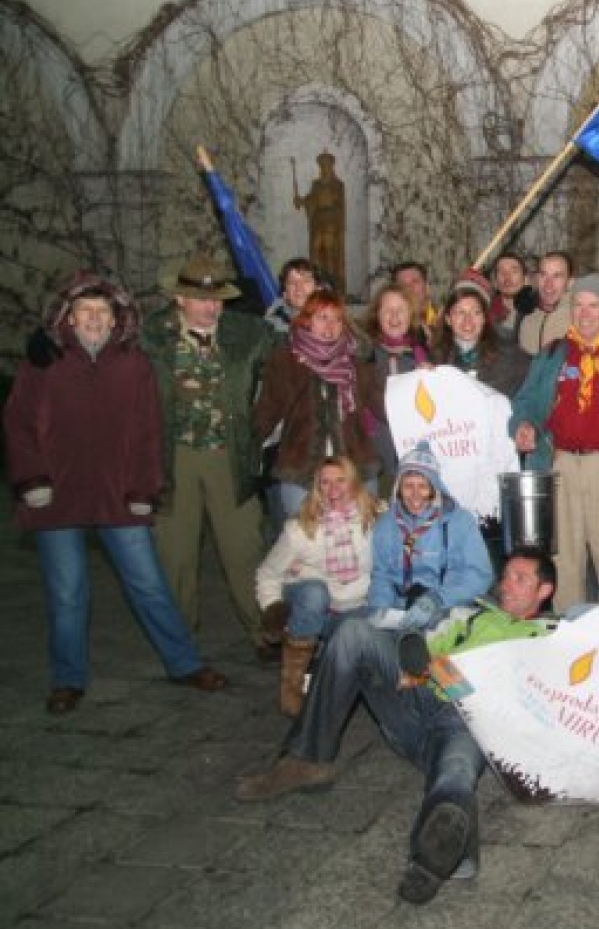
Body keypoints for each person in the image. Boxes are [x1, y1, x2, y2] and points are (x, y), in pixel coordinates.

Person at [234, 548, 557, 903]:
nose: (506, 585)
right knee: (353, 633)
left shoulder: (547, 639)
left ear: (544, 590)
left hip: (465, 724)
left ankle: (440, 850)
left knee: (457, 770)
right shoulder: (472, 615)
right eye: (506, 575)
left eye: (520, 579)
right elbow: (424, 644)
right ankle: (307, 759)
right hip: (416, 700)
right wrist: (413, 655)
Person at [5, 272, 228, 714]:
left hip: (118, 495)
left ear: (115, 319)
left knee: (149, 584)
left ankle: (184, 663)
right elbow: (18, 424)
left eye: (102, 311)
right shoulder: (44, 360)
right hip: (56, 496)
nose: (93, 318)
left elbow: (148, 433)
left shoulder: (133, 365)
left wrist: (144, 487)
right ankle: (68, 678)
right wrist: (32, 479)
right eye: (84, 311)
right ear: (69, 317)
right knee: (67, 593)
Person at [140, 254, 275, 651]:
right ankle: (179, 639)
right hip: (174, 457)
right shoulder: (152, 335)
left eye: (217, 298)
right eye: (201, 299)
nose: (211, 307)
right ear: (180, 299)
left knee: (244, 548)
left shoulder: (248, 332)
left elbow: (299, 350)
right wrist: (53, 340)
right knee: (175, 553)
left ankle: (263, 631)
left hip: (230, 456)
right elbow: (102, 347)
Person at [510, 274, 599, 609]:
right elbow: (525, 401)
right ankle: (568, 625)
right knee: (563, 555)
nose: (585, 313)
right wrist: (524, 425)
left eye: (594, 305)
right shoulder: (552, 355)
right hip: (560, 462)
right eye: (578, 305)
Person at [255, 456, 381, 716]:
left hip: (358, 606)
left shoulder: (376, 517)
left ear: (354, 483)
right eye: (325, 482)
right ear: (317, 487)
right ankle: (293, 682)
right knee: (315, 593)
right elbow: (267, 574)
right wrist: (273, 609)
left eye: (340, 481)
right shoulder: (299, 530)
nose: (333, 489)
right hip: (317, 605)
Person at [253, 290, 382, 520]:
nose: (330, 325)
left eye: (337, 319)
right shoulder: (286, 361)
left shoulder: (357, 364)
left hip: (354, 466)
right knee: (305, 537)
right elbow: (266, 412)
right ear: (307, 321)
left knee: (363, 533)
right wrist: (244, 448)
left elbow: (384, 404)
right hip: (302, 470)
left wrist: (421, 382)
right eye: (323, 317)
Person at [367, 442, 494, 630]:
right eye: (408, 486)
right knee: (352, 631)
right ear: (398, 488)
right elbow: (381, 576)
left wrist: (438, 599)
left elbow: (479, 576)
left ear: (435, 488)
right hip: (398, 613)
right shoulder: (385, 524)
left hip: (446, 610)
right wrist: (380, 610)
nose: (415, 495)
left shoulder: (460, 522)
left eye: (423, 486)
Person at [363, 282, 430, 483]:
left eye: (400, 310)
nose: (394, 316)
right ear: (377, 315)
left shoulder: (426, 354)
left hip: (417, 458)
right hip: (374, 455)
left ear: (411, 315)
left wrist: (430, 379)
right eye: (387, 311)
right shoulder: (364, 355)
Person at [429, 274, 529, 397]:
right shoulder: (436, 360)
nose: (468, 320)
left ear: (484, 318)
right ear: (448, 319)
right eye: (460, 312)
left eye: (476, 312)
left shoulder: (511, 358)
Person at [293, 152, 346, 294]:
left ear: (331, 166)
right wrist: (301, 201)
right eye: (322, 165)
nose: (324, 168)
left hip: (331, 222)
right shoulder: (316, 184)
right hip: (317, 221)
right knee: (315, 252)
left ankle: (331, 284)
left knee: (329, 252)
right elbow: (311, 200)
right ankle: (316, 282)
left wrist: (330, 206)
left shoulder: (338, 185)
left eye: (327, 165)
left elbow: (340, 206)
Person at [517, 251, 573, 356]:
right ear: (537, 279)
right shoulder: (526, 320)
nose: (548, 284)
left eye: (557, 276)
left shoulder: (580, 319)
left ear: (570, 282)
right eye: (543, 275)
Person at [264, 257, 326, 335]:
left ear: (319, 288)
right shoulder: (274, 321)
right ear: (285, 294)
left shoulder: (333, 314)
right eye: (292, 282)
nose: (299, 287)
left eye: (306, 281)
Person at [487, 251, 536, 338]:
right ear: (495, 282)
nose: (507, 277)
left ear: (526, 279)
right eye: (502, 272)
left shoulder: (539, 311)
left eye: (514, 271)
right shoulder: (485, 316)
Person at [393, 261, 439, 345]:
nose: (409, 288)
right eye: (402, 284)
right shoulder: (391, 325)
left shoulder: (445, 320)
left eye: (415, 282)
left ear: (427, 287)